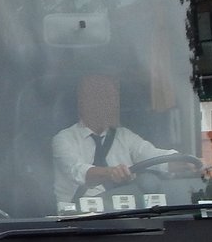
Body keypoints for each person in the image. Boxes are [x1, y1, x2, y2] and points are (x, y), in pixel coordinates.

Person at [51, 73, 174, 204]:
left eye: (113, 97)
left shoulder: (125, 136)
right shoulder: (63, 139)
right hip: (78, 219)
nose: (112, 103)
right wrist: (110, 173)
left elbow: (154, 157)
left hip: (124, 217)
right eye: (103, 97)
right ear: (83, 101)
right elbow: (78, 171)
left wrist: (187, 162)